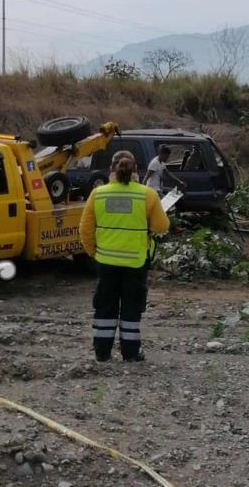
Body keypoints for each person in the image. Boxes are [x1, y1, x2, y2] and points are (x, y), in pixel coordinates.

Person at [80, 150, 170, 362]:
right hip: (135, 263)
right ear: (135, 170)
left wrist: (94, 252)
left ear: (111, 169)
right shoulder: (147, 195)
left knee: (104, 306)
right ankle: (130, 353)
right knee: (131, 307)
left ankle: (102, 352)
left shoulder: (98, 194)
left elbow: (85, 229)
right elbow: (161, 226)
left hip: (106, 262)